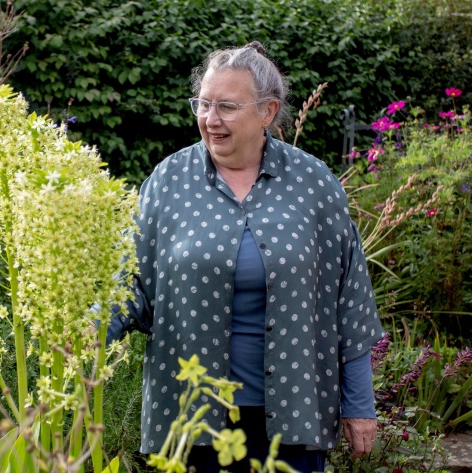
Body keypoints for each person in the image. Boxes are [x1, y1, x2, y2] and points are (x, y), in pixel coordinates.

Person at [106, 41, 385, 473]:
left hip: (292, 415)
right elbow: (132, 282)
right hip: (191, 414)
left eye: (227, 107)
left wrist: (360, 405)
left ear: (268, 112)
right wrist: (86, 330)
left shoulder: (313, 184)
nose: (210, 120)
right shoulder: (170, 181)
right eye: (203, 103)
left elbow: (350, 302)